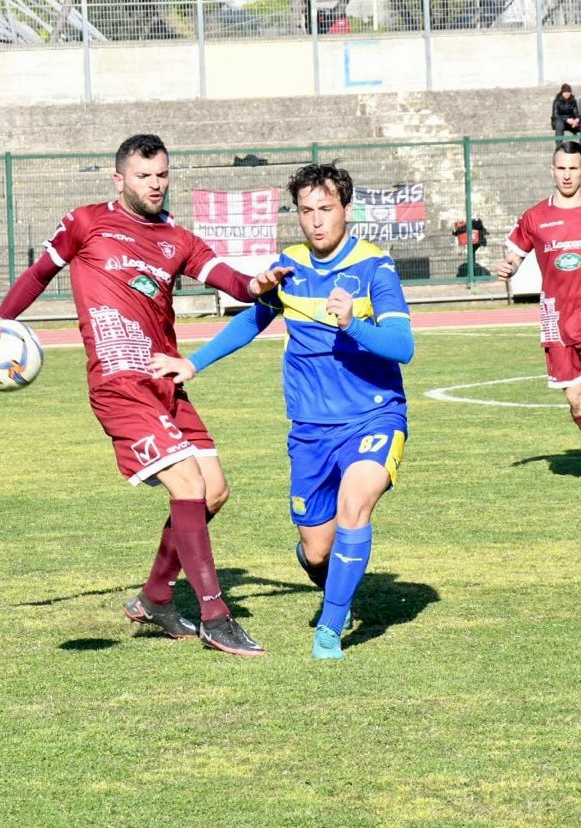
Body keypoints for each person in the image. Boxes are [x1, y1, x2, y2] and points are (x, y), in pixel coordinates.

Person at [0, 134, 289, 657]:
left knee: (213, 491)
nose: (155, 184)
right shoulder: (85, 223)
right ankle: (215, 616)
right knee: (187, 484)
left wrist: (259, 284)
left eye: (162, 174)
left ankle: (155, 597)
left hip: (164, 378)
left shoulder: (179, 239)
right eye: (144, 175)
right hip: (117, 383)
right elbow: (38, 274)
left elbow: (233, 283)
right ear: (118, 177)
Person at [152, 163, 414, 660]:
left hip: (373, 416)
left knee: (355, 507)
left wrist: (352, 324)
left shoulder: (375, 267)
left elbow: (402, 346)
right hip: (311, 428)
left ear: (347, 210)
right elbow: (252, 321)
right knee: (316, 551)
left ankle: (330, 630)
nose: (316, 221)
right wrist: (194, 362)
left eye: (326, 209)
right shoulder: (288, 266)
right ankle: (329, 573)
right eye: (306, 211)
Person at [495, 140, 581, 485]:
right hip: (556, 315)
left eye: (574, 168)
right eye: (562, 168)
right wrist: (508, 267)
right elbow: (516, 254)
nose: (567, 175)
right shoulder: (535, 217)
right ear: (552, 170)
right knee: (575, 399)